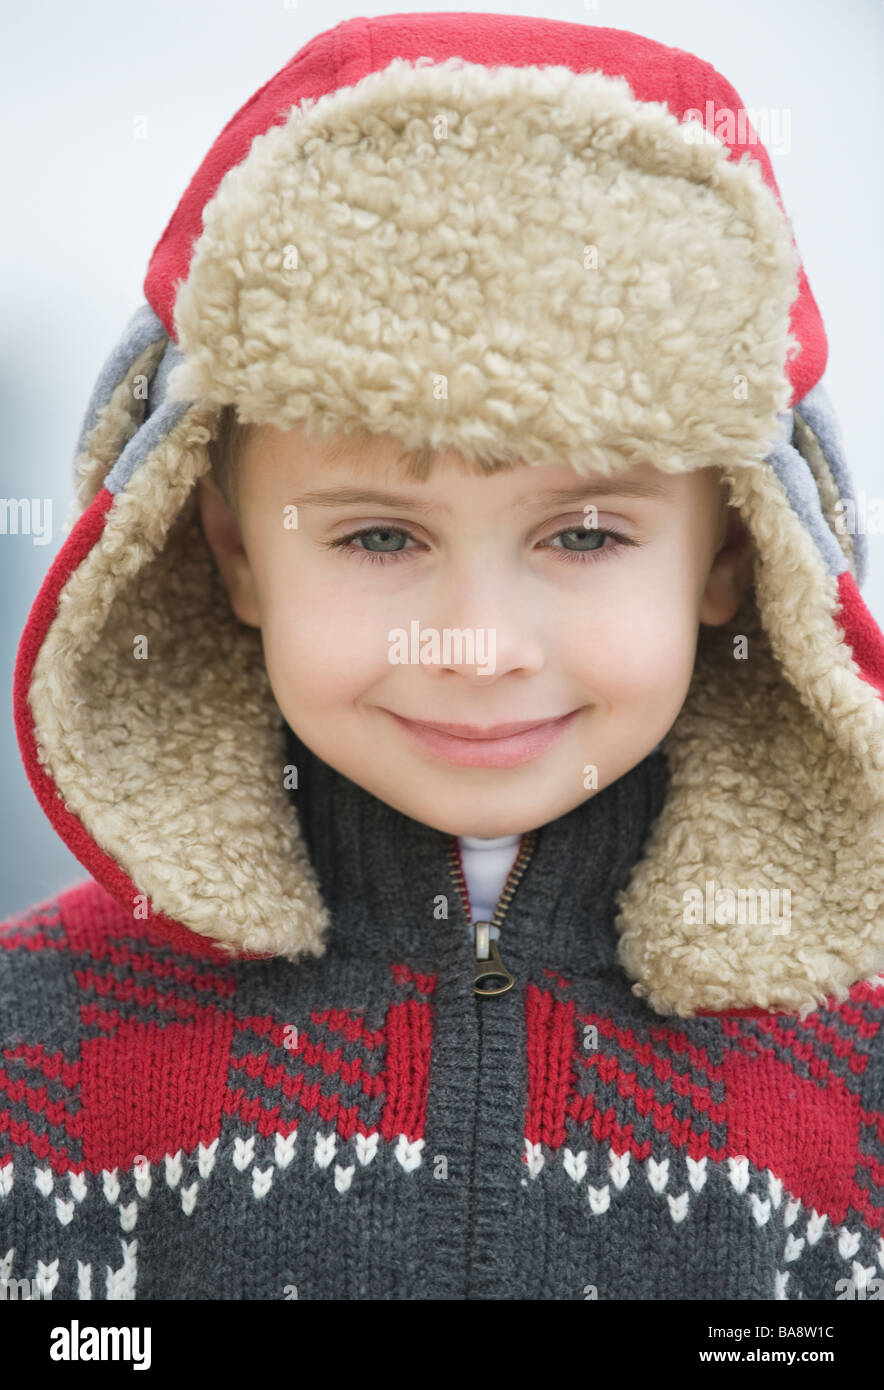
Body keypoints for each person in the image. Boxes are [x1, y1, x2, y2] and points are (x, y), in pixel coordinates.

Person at [3, 12, 884, 1302]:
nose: (476, 646)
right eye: (376, 535)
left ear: (734, 558)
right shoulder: (39, 1044)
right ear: (232, 550)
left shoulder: (852, 1077)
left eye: (583, 534)